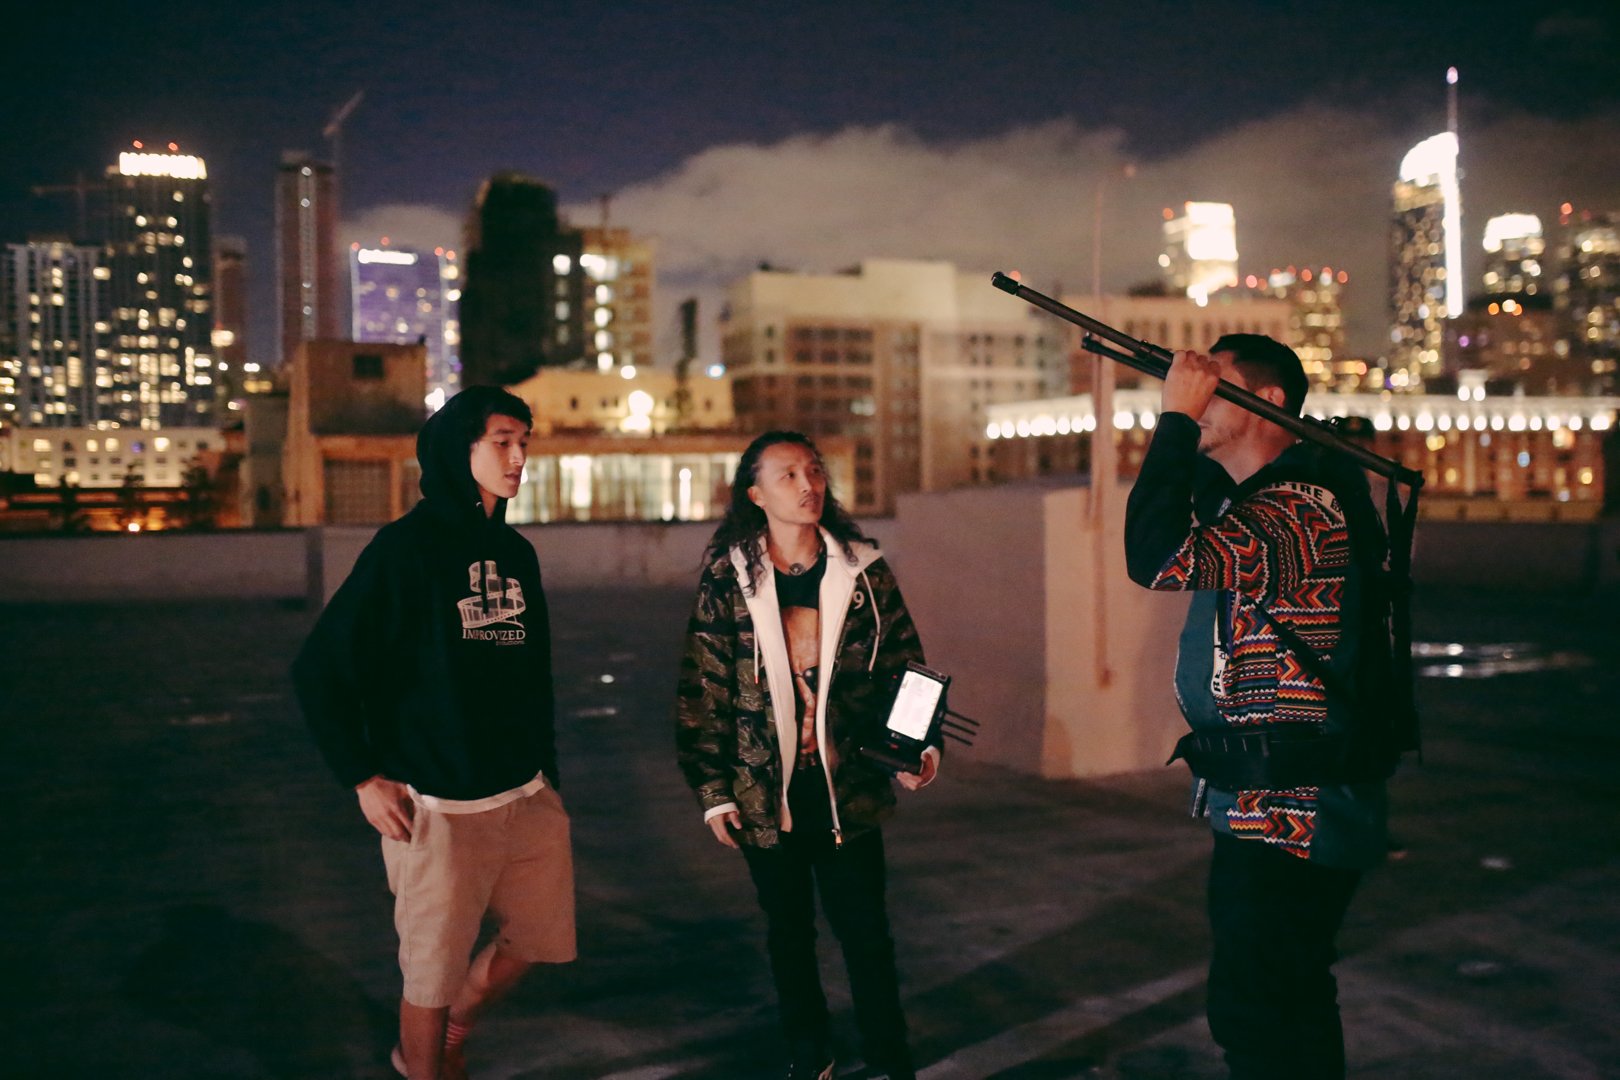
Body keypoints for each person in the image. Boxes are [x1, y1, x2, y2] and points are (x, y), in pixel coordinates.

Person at [1124, 335, 1390, 1080]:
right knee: (1277, 1000)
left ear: (1267, 400)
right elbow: (1183, 526)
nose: (1200, 395)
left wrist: (1175, 420)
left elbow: (1156, 555)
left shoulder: (1299, 508)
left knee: (1265, 1008)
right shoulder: (1257, 502)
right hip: (1266, 800)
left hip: (1296, 809)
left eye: (1218, 383)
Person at [292, 387, 574, 1080]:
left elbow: (533, 681)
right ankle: (420, 1065)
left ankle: (458, 1029)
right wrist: (361, 775)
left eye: (525, 442)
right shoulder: (405, 550)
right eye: (503, 441)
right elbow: (320, 667)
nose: (518, 457)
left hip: (525, 796)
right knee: (430, 979)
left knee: (538, 941)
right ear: (461, 448)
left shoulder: (518, 553)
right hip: (439, 806)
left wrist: (549, 780)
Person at [676, 431, 938, 1080]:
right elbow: (701, 688)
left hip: (848, 787)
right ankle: (810, 1055)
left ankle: (889, 1059)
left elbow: (905, 665)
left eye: (814, 471)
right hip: (766, 792)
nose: (807, 484)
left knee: (868, 938)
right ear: (756, 493)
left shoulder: (863, 570)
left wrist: (917, 746)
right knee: (788, 936)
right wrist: (714, 791)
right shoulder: (730, 579)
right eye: (788, 474)